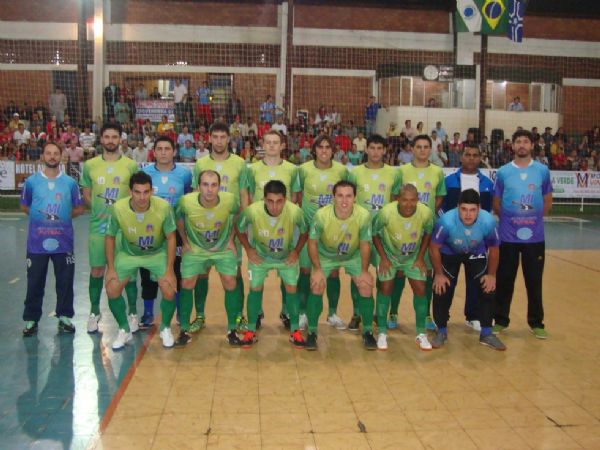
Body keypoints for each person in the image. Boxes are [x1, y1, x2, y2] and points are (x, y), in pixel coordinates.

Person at [104, 172, 178, 350]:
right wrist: (111, 268)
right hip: (128, 254)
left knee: (169, 288)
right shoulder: (117, 208)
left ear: (152, 191)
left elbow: (171, 238)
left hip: (156, 253)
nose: (142, 197)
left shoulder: (164, 207)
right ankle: (124, 329)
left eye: (146, 192)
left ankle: (165, 328)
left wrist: (170, 269)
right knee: (112, 287)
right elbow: (109, 237)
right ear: (130, 191)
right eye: (137, 192)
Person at [80, 123, 139, 334]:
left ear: (120, 140)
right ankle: (94, 312)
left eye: (114, 137)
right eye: (107, 137)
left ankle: (133, 313)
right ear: (101, 139)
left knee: (129, 272)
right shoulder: (90, 165)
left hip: (124, 230)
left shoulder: (131, 166)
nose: (111, 141)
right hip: (99, 228)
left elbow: (136, 194)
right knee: (97, 270)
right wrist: (98, 208)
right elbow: (86, 193)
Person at [493, 130, 553, 339]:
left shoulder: (542, 171)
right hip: (507, 237)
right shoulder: (503, 172)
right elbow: (496, 202)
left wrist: (533, 220)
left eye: (526, 141)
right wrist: (510, 221)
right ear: (513, 146)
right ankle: (500, 320)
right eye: (518, 141)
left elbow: (547, 201)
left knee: (534, 281)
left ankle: (536, 322)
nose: (522, 145)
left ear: (532, 146)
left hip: (534, 238)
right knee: (504, 280)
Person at [20, 142, 84, 336]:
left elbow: (79, 208)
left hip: (63, 242)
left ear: (61, 157)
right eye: (48, 153)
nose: (52, 156)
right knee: (34, 282)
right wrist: (42, 220)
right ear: (43, 156)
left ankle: (64, 317)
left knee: (65, 282)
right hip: (36, 243)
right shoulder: (31, 182)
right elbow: (24, 206)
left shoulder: (70, 183)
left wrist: (61, 219)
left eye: (56, 153)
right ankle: (31, 319)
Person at [430, 189, 506, 351]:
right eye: (464, 209)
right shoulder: (446, 221)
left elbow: (494, 250)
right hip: (450, 252)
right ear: (458, 207)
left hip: (476, 252)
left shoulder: (489, 221)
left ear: (479, 208)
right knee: (441, 287)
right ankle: (441, 330)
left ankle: (486, 333)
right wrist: (438, 274)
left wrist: (492, 275)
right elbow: (434, 247)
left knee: (488, 287)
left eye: (472, 210)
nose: (468, 214)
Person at [236, 180, 308, 348]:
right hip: (260, 257)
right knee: (255, 289)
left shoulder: (295, 212)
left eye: (279, 201)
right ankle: (251, 330)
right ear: (264, 199)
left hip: (286, 257)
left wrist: (296, 251)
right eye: (270, 201)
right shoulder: (252, 211)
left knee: (292, 289)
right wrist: (249, 249)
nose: (275, 206)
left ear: (285, 199)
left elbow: (305, 232)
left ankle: (295, 331)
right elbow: (239, 228)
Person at [191, 122, 249, 332]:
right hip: (205, 230)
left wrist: (241, 227)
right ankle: (199, 316)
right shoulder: (201, 164)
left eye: (222, 137)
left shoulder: (240, 163)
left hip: (231, 230)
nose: (218, 141)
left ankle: (238, 317)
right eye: (215, 137)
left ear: (229, 139)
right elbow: (194, 197)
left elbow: (244, 196)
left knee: (234, 273)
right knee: (201, 272)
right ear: (209, 138)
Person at [306, 180, 373, 350]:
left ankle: (367, 332)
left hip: (352, 255)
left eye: (348, 196)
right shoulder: (321, 215)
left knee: (365, 285)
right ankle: (312, 332)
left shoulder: (364, 215)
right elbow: (312, 242)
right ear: (333, 197)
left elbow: (365, 244)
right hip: (326, 256)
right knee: (317, 284)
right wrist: (318, 269)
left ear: (355, 198)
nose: (344, 200)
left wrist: (364, 271)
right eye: (340, 196)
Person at [176, 170, 241, 346]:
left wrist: (231, 239)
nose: (209, 189)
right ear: (198, 186)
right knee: (187, 282)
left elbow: (238, 214)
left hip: (222, 248)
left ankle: (232, 329)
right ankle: (184, 329)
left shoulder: (230, 200)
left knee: (230, 281)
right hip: (196, 248)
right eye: (205, 185)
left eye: (214, 185)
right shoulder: (186, 202)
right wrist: (184, 242)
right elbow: (179, 218)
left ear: (220, 187)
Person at [347, 134, 401, 331]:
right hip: (360, 232)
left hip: (383, 234)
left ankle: (380, 313)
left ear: (385, 150)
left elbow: (395, 201)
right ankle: (357, 313)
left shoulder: (394, 173)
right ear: (366, 149)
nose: (376, 152)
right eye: (372, 148)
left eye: (379, 148)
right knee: (358, 274)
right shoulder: (355, 173)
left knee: (384, 274)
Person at [439, 145, 494, 331]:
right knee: (448, 281)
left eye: (475, 155)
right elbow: (441, 208)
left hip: (477, 243)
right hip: (451, 243)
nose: (471, 158)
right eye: (467, 155)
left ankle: (473, 316)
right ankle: (442, 318)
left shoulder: (487, 183)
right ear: (461, 157)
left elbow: (488, 212)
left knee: (475, 281)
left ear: (480, 158)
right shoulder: (449, 181)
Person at [372, 184, 433, 350]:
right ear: (397, 199)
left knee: (421, 288)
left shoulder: (426, 213)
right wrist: (383, 258)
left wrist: (420, 257)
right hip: (389, 255)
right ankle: (382, 332)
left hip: (412, 257)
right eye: (405, 200)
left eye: (413, 200)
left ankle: (421, 333)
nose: (408, 204)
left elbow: (428, 233)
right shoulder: (386, 213)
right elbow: (374, 233)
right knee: (385, 288)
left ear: (418, 199)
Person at [140, 136, 192, 329]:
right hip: (150, 231)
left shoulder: (184, 174)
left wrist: (185, 237)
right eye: (159, 149)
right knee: (147, 273)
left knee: (176, 270)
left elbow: (187, 201)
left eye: (167, 149)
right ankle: (147, 313)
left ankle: (179, 312)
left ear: (174, 151)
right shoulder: (145, 173)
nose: (163, 152)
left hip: (175, 230)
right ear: (154, 152)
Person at [297, 136, 349, 333]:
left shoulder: (342, 171)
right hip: (308, 230)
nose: (324, 150)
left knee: (334, 272)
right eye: (321, 147)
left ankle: (332, 313)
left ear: (333, 150)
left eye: (328, 147)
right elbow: (298, 197)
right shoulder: (303, 170)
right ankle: (303, 313)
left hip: (332, 231)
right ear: (314, 150)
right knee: (305, 271)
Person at [397, 135, 446, 331]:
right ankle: (393, 312)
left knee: (427, 271)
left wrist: (426, 214)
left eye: (426, 147)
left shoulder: (437, 172)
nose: (422, 150)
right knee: (399, 271)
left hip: (427, 228)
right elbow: (395, 196)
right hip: (404, 228)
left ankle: (425, 314)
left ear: (430, 149)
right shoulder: (402, 171)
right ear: (412, 149)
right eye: (419, 146)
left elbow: (439, 197)